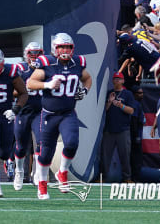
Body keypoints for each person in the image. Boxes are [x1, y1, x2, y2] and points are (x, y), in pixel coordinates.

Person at [27, 33, 92, 200]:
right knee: (46, 153)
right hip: (49, 115)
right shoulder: (47, 63)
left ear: (73, 48)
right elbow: (30, 83)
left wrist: (84, 91)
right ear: (54, 49)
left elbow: (87, 78)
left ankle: (62, 171)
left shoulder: (78, 63)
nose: (65, 50)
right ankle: (42, 184)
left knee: (71, 143)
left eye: (68, 47)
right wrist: (47, 84)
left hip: (68, 113)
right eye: (61, 47)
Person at [0, 47, 27, 197]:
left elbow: (23, 93)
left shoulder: (11, 71)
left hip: (6, 114)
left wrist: (15, 110)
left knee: (4, 151)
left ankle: (6, 161)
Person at [13, 41, 44, 191]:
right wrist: (23, 90)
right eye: (32, 54)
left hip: (40, 112)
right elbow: (12, 90)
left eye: (37, 53)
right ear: (26, 55)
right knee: (20, 147)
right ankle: (19, 171)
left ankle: (37, 173)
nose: (35, 56)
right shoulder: (20, 69)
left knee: (41, 143)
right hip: (23, 112)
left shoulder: (46, 69)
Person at [101, 72, 135, 183]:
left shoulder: (127, 94)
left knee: (124, 155)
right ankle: (103, 177)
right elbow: (104, 111)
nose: (116, 81)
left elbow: (131, 110)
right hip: (109, 129)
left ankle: (127, 178)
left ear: (123, 81)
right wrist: (110, 102)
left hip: (123, 130)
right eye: (115, 79)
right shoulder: (109, 93)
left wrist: (121, 105)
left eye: (119, 79)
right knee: (105, 156)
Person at [130, 85, 145, 181]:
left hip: (135, 135)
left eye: (142, 93)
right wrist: (136, 136)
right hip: (134, 136)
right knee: (136, 158)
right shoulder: (135, 104)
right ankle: (134, 179)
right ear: (134, 94)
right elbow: (134, 120)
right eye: (139, 93)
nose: (142, 95)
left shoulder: (138, 104)